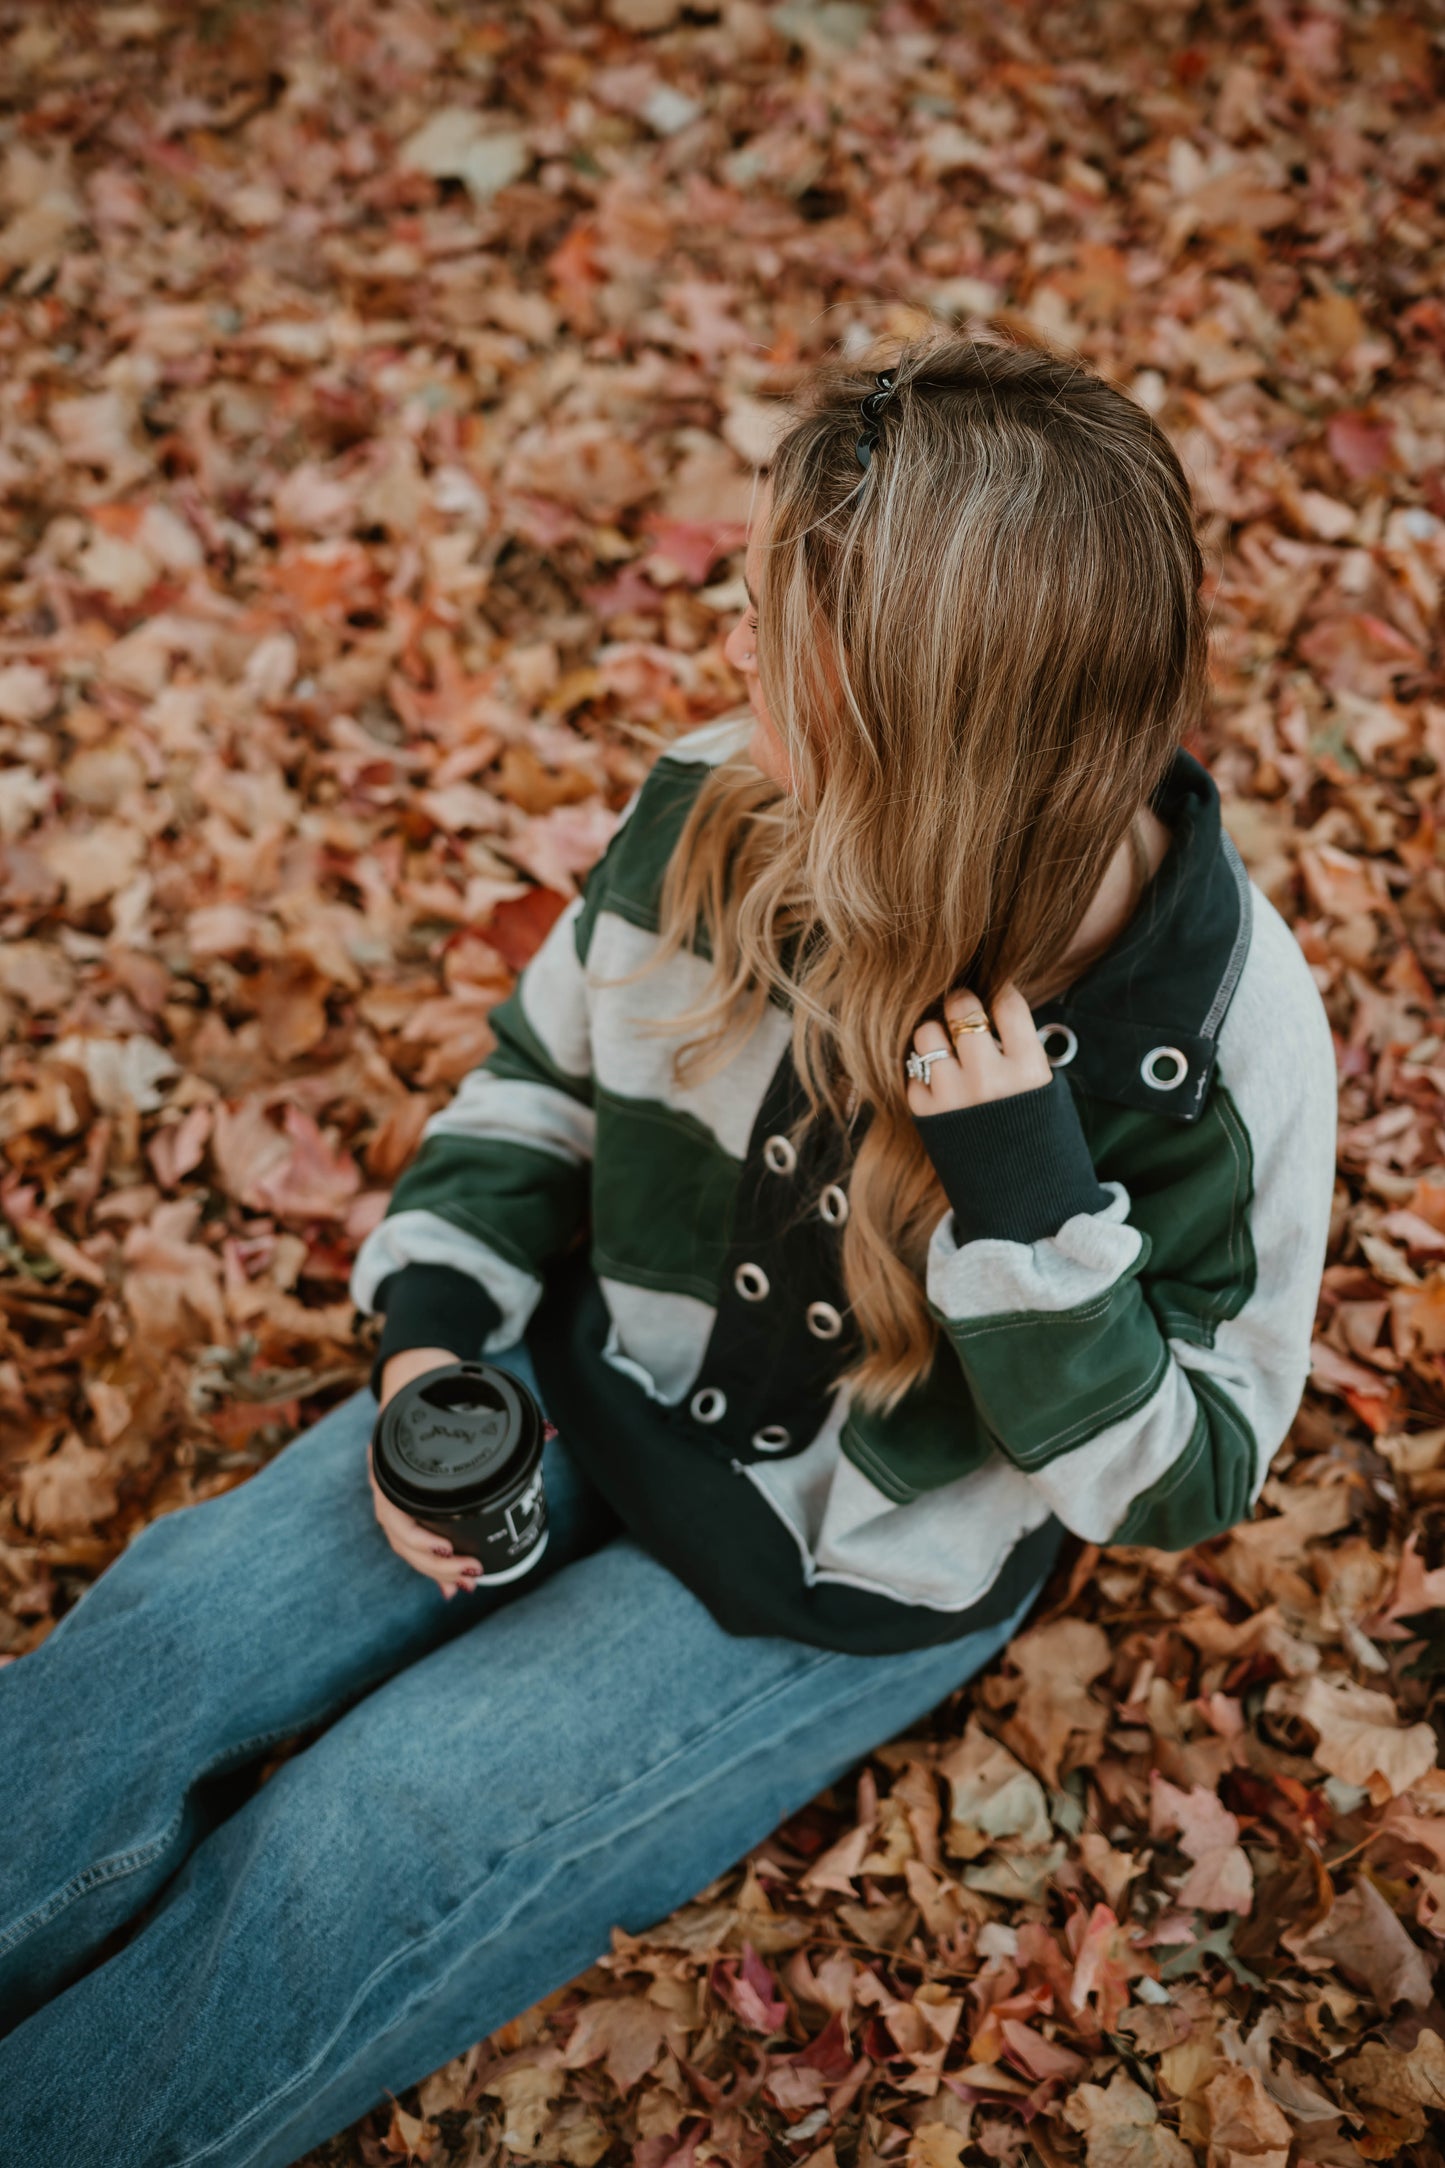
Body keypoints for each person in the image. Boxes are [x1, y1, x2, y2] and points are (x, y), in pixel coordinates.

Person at [0, 329, 1337, 2166]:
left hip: (825, 1580)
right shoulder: (721, 806)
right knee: (165, 1630)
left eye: (787, 654)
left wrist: (1030, 1211)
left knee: (357, 1840)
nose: (730, 667)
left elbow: (1189, 1472)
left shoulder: (1221, 1048)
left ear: (937, 741)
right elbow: (537, 1086)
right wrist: (428, 1353)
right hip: (571, 1385)